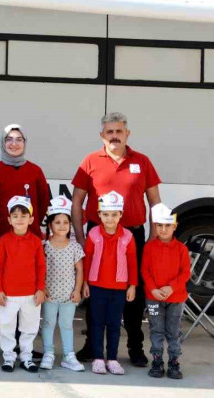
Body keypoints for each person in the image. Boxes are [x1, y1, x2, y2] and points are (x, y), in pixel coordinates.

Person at [72, 112, 161, 368]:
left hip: (132, 236)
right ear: (102, 135)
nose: (114, 136)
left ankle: (135, 347)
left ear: (127, 134)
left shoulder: (142, 161)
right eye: (109, 132)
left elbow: (155, 202)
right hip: (97, 236)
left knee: (134, 292)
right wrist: (80, 237)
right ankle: (92, 347)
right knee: (94, 292)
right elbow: (77, 202)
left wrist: (154, 238)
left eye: (119, 131)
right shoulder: (90, 161)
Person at [82, 191, 137, 375]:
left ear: (121, 214)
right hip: (97, 286)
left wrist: (132, 285)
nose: (110, 218)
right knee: (97, 323)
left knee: (114, 324)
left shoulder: (128, 236)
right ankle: (98, 358)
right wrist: (85, 283)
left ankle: (112, 358)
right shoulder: (93, 234)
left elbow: (132, 262)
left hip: (119, 288)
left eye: (114, 214)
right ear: (99, 215)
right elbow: (87, 259)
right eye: (105, 214)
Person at [0, 196, 46, 373]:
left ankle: (26, 357)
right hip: (8, 295)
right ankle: (8, 357)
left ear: (31, 219)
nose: (19, 219)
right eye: (15, 216)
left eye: (23, 215)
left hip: (31, 294)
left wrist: (40, 289)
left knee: (29, 328)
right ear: (9, 219)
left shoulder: (36, 241)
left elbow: (41, 266)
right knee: (7, 327)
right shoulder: (4, 240)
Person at [143, 203, 191, 380]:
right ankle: (157, 360)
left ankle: (173, 362)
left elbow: (185, 272)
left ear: (174, 226)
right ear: (155, 226)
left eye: (167, 225)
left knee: (173, 330)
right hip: (153, 298)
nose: (163, 229)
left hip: (176, 298)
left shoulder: (181, 249)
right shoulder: (149, 247)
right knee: (156, 329)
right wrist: (153, 289)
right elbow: (145, 271)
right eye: (159, 225)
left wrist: (171, 287)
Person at [40, 196, 86, 372]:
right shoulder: (44, 246)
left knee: (66, 324)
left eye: (65, 222)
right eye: (57, 222)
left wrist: (77, 290)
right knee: (48, 323)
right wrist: (42, 288)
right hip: (49, 295)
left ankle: (68, 355)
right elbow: (40, 270)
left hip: (69, 295)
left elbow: (80, 270)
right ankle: (48, 353)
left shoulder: (75, 247)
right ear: (50, 225)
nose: (61, 225)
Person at [0, 124, 49, 241]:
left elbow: (43, 203)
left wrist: (27, 222)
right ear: (2, 143)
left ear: (25, 143)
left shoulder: (36, 171)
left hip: (30, 237)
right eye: (9, 139)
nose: (14, 144)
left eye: (19, 139)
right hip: (0, 236)